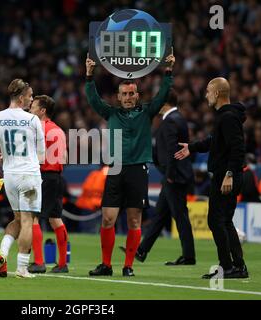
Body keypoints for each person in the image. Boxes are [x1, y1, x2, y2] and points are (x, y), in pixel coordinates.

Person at [85, 50, 175, 277]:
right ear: (118, 96)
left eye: (131, 93)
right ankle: (106, 265)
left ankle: (128, 266)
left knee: (134, 219)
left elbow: (163, 95)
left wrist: (168, 71)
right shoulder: (111, 113)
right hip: (115, 169)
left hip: (138, 169)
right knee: (107, 218)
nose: (127, 97)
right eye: (124, 93)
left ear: (137, 95)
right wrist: (89, 76)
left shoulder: (147, 112)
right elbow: (93, 99)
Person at [175, 77, 249, 279]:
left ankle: (229, 267)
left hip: (226, 176)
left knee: (217, 221)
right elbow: (214, 142)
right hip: (225, 175)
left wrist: (229, 174)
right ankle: (237, 266)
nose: (206, 94)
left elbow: (238, 149)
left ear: (217, 93)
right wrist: (191, 147)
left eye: (208, 91)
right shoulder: (227, 116)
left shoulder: (228, 117)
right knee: (223, 222)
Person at [0, 79, 45, 278]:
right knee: (27, 221)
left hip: (9, 175)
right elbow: (42, 153)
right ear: (21, 97)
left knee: (17, 219)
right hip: (29, 174)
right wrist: (36, 163)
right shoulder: (33, 120)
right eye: (30, 95)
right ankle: (22, 268)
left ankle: (3, 252)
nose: (32, 99)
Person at [133, 89, 196, 265]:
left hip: (174, 177)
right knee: (160, 215)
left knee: (180, 216)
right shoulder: (177, 118)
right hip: (175, 175)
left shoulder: (170, 121)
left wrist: (169, 175)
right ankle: (142, 250)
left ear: (164, 102)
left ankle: (189, 256)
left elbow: (171, 151)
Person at [27, 95, 69, 274]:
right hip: (57, 177)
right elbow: (64, 158)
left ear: (42, 111)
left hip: (43, 176)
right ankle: (61, 263)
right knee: (55, 219)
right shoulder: (59, 130)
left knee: (34, 218)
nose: (30, 109)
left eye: (33, 106)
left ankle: (39, 262)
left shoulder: (38, 129)